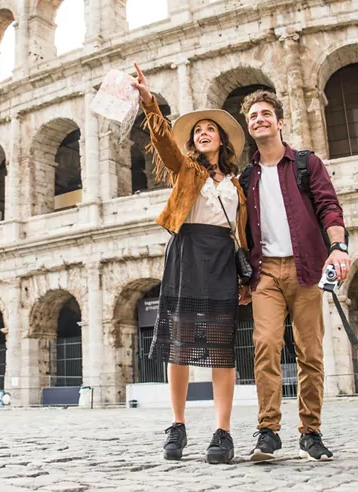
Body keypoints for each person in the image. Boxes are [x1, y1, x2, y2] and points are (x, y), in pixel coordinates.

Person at [131, 62, 249, 464]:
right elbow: (164, 141)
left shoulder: (237, 185)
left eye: (209, 129)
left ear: (222, 141)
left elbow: (243, 233)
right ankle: (178, 425)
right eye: (197, 130)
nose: (202, 133)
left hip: (221, 257)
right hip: (186, 251)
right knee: (179, 346)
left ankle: (223, 431)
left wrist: (246, 277)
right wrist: (150, 104)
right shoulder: (186, 170)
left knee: (221, 348)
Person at [237, 89, 351, 462]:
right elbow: (238, 231)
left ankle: (311, 431)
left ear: (280, 121)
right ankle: (268, 431)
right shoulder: (246, 177)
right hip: (266, 271)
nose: (259, 120)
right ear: (249, 125)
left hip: (306, 269)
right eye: (253, 116)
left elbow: (328, 207)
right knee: (266, 345)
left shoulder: (305, 163)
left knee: (310, 352)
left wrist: (338, 248)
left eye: (266, 114)